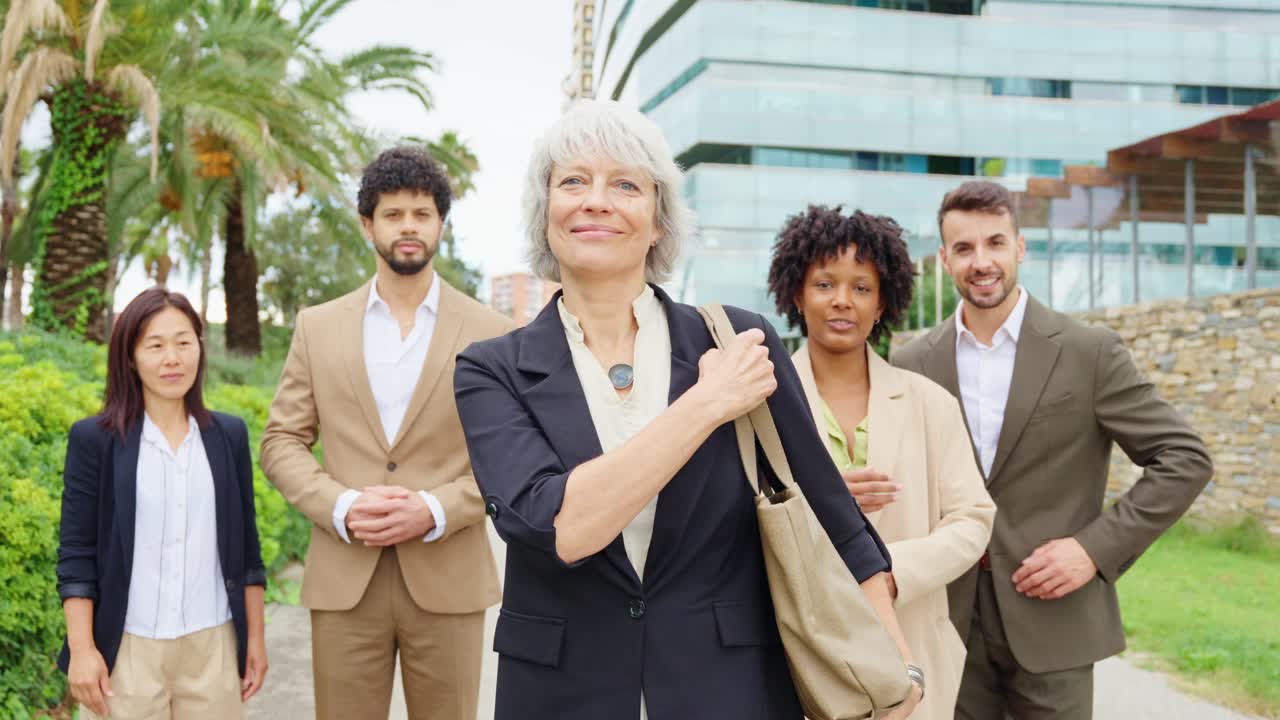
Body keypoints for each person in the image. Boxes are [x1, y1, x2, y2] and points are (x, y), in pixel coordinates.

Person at [453, 99, 923, 720]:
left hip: (730, 688)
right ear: (547, 218)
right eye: (573, 181)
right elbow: (560, 527)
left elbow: (834, 519)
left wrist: (896, 668)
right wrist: (705, 404)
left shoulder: (738, 342)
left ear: (657, 224)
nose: (596, 200)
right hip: (561, 693)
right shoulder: (492, 369)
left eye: (625, 184)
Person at [893, 180, 1214, 719]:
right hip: (944, 619)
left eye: (995, 242)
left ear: (1020, 247)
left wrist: (1092, 549)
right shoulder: (911, 364)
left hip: (1055, 618)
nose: (982, 261)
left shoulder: (1090, 353)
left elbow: (1184, 459)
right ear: (943, 259)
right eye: (964, 248)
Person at [260, 146, 514, 720]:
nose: (409, 227)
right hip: (345, 578)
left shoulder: (492, 333)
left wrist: (437, 507)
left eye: (422, 214)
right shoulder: (317, 326)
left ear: (440, 225)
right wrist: (342, 505)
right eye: (394, 214)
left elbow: (506, 454)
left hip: (448, 575)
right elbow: (281, 441)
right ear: (366, 223)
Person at [767, 205, 995, 719]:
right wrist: (826, 505)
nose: (842, 301)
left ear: (882, 301)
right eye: (825, 284)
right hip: (796, 656)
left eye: (862, 288)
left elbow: (973, 519)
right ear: (797, 294)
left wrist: (891, 574)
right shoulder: (760, 406)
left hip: (910, 645)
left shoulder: (930, 403)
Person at [56, 287, 267, 719]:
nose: (172, 358)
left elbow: (247, 548)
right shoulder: (95, 440)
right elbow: (76, 555)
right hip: (128, 653)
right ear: (130, 357)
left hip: (214, 647)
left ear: (200, 348)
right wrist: (82, 650)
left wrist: (255, 642)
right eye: (155, 345)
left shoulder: (229, 437)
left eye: (183, 342)